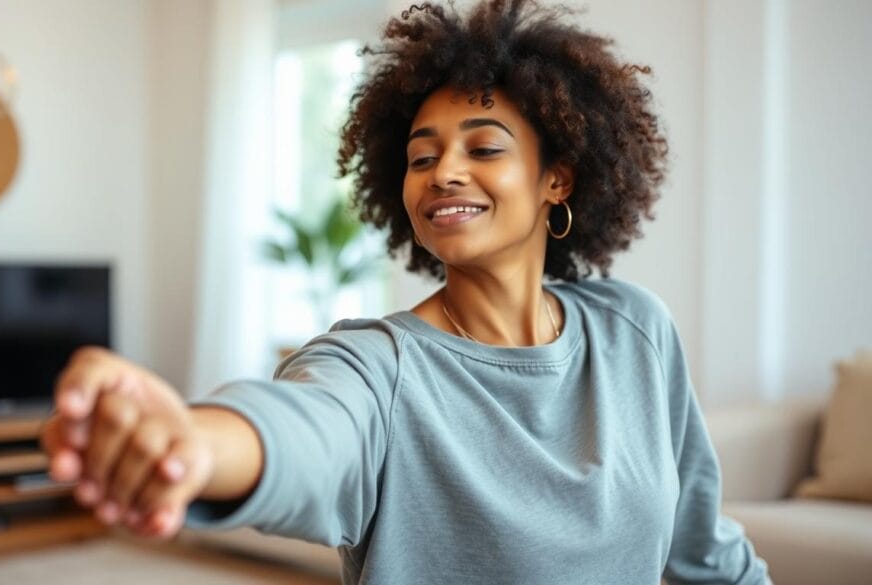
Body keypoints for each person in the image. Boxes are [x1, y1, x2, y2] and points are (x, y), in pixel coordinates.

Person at [41, 1, 773, 583]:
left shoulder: (635, 332)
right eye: (422, 156)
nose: (443, 172)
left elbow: (702, 543)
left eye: (483, 147)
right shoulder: (378, 365)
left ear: (559, 178)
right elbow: (306, 427)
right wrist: (195, 443)